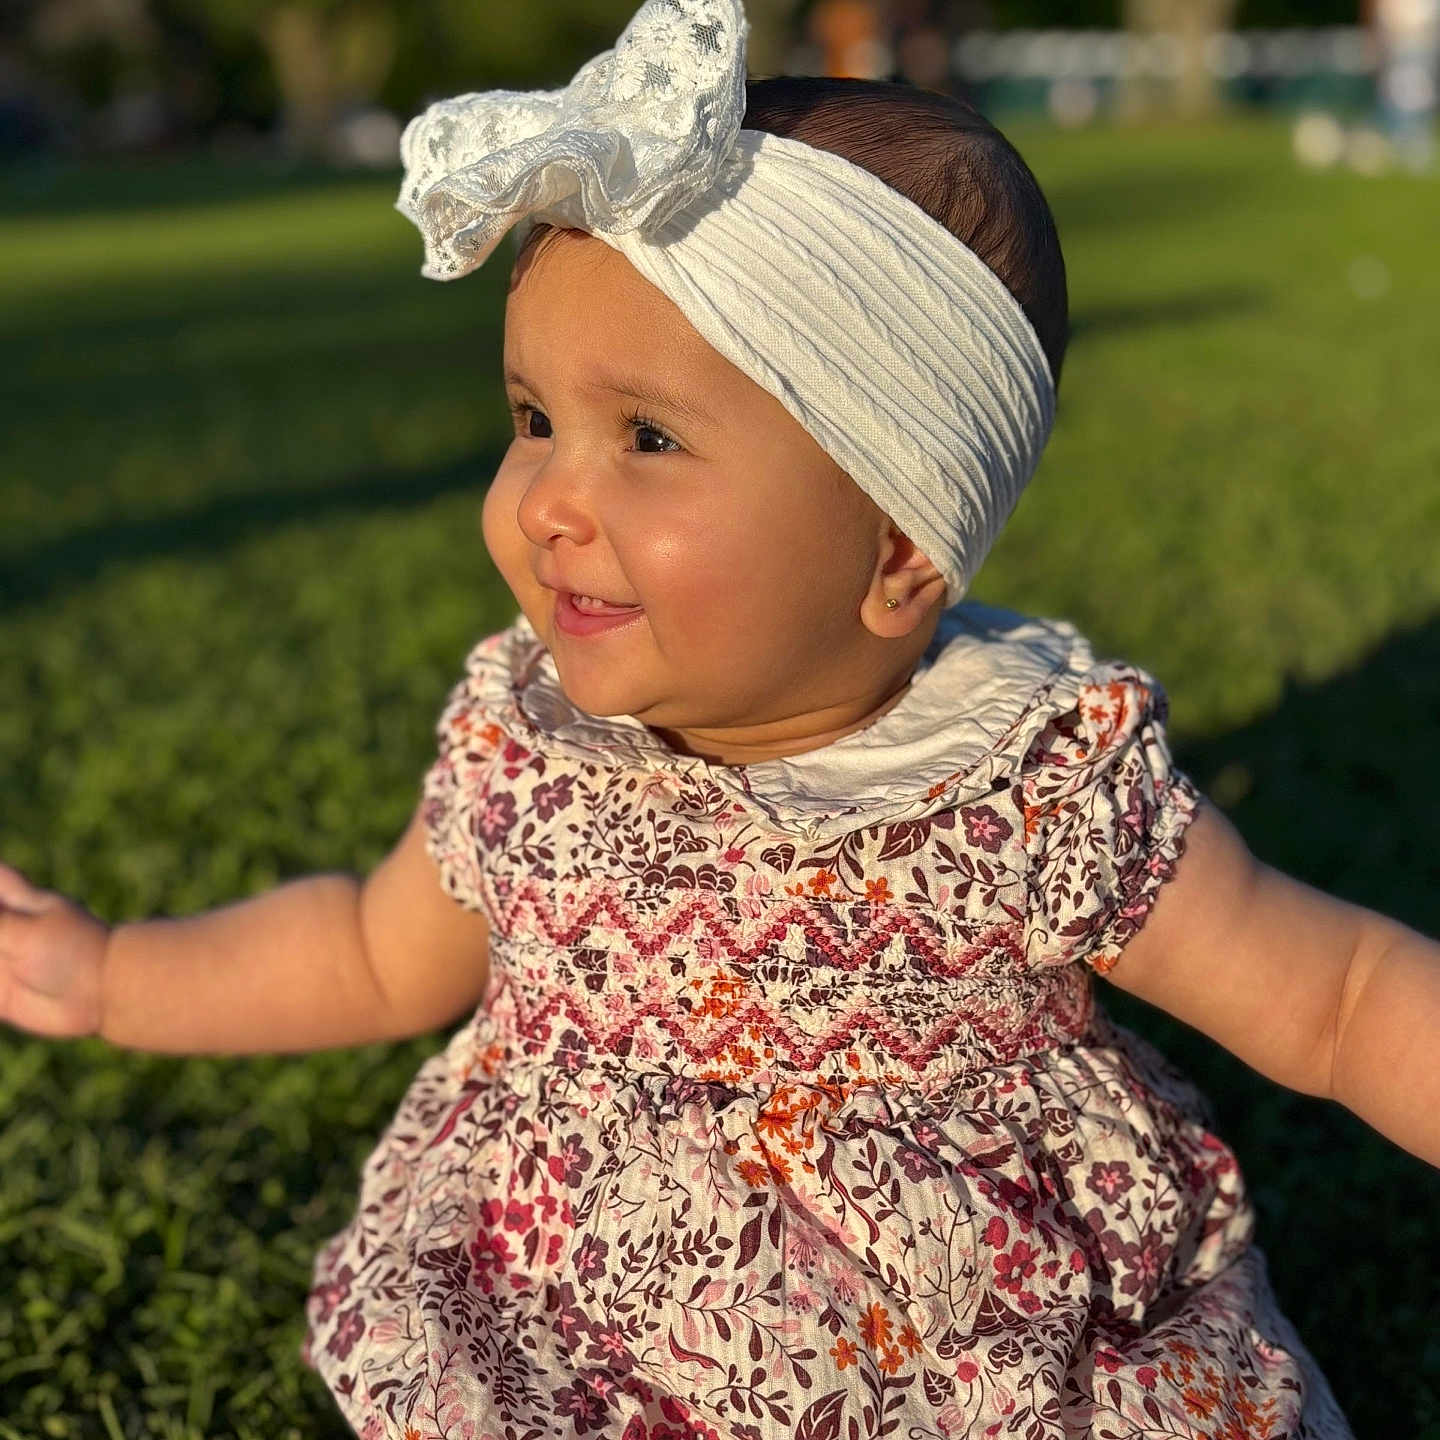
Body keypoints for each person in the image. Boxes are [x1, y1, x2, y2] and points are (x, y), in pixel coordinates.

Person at [1, 0, 1435, 1435]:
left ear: (897, 554)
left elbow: (1336, 998)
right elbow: (373, 953)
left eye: (648, 438)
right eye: (531, 417)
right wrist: (116, 974)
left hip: (952, 1352)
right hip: (568, 1331)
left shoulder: (1027, 787)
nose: (551, 503)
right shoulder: (528, 743)